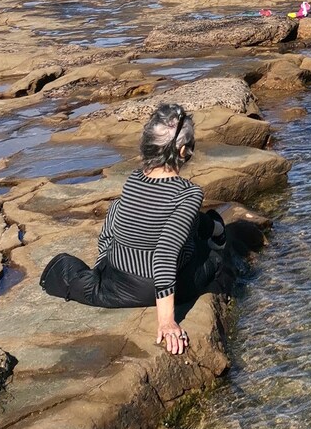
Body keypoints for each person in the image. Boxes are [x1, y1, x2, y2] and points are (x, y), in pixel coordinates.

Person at [39, 104, 228, 355]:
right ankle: (216, 229)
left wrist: (104, 262)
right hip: (164, 284)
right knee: (213, 258)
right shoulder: (189, 194)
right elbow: (164, 255)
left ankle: (212, 227)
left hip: (116, 283)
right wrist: (167, 322)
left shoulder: (133, 180)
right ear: (183, 151)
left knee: (121, 209)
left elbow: (116, 227)